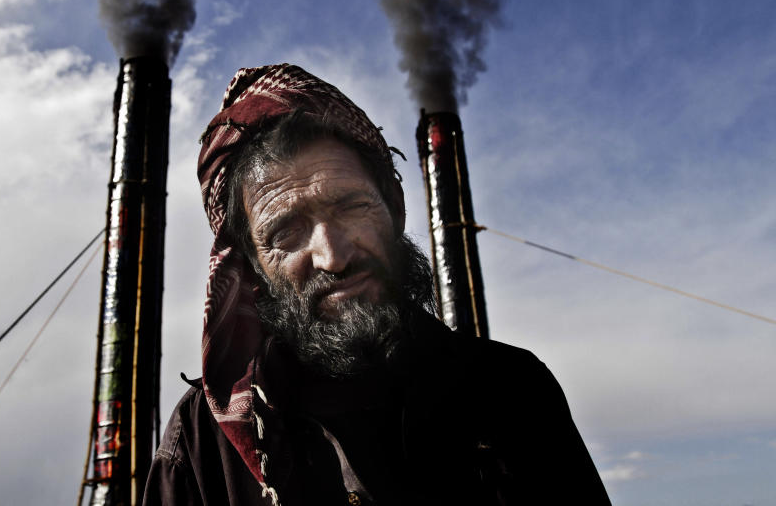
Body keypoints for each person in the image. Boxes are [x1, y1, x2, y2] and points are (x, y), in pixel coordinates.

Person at [143, 64, 611, 505]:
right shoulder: (203, 441)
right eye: (286, 232)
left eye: (351, 207)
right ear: (251, 267)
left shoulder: (512, 393)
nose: (334, 256)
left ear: (393, 207)